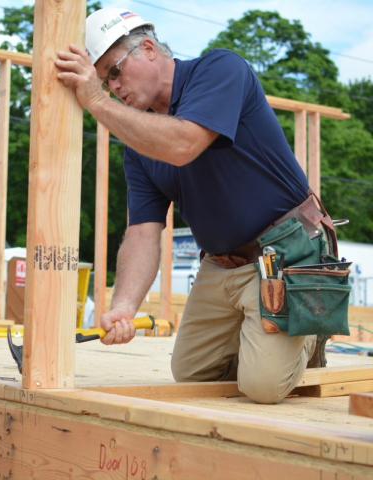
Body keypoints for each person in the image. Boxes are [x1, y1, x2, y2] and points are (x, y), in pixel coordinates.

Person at [56, 7, 339, 404]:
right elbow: (142, 231)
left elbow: (184, 143)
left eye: (114, 72)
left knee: (263, 387)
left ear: (149, 49)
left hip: (285, 253)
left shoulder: (220, 70)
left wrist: (95, 102)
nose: (111, 86)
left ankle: (309, 332)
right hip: (222, 264)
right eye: (103, 80)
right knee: (191, 373)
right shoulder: (140, 146)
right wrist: (123, 306)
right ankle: (270, 339)